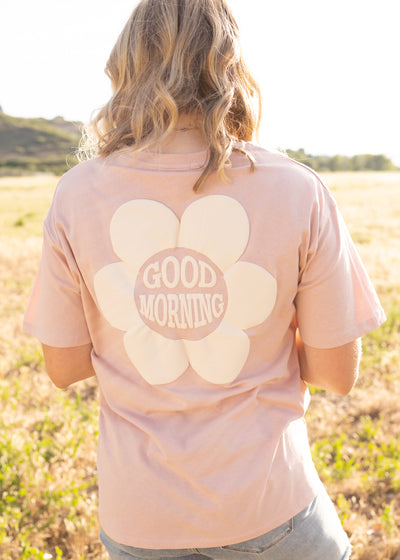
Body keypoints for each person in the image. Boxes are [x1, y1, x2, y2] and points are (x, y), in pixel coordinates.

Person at [23, 1, 386, 559]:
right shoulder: (297, 189)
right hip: (271, 507)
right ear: (230, 66)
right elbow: (337, 373)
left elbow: (64, 366)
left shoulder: (76, 194)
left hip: (140, 517)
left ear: (127, 66)